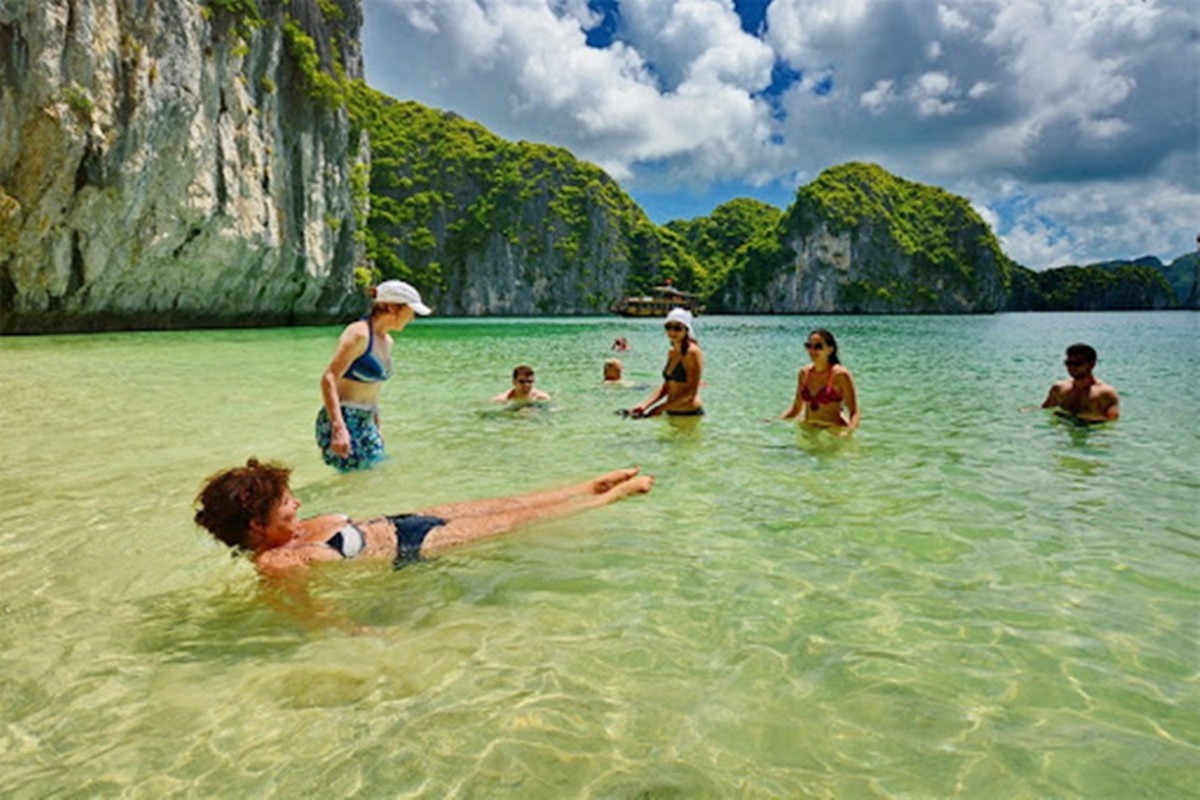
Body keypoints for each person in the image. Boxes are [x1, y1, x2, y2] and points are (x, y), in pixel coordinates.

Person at [194, 459, 654, 576]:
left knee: (512, 503)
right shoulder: (276, 563)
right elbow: (312, 615)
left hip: (405, 520)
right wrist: (356, 634)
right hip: (414, 547)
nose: (296, 504)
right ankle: (611, 497)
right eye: (285, 502)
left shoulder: (288, 535)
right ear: (256, 525)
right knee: (521, 522)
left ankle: (589, 485)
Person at [316, 280, 431, 471]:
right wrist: (338, 428)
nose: (412, 318)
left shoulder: (387, 341)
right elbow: (328, 378)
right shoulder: (358, 334)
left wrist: (377, 427)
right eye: (410, 311)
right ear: (392, 307)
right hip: (344, 418)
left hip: (366, 421)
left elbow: (373, 390)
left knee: (373, 477)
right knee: (356, 480)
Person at [629, 307, 704, 418]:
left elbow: (690, 393)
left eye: (678, 328)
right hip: (670, 411)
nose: (672, 332)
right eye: (668, 327)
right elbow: (667, 385)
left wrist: (659, 408)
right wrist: (645, 405)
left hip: (689, 414)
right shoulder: (672, 352)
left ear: (686, 329)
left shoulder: (692, 352)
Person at [780, 328, 860, 430]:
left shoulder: (840, 375)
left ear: (830, 350)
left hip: (832, 431)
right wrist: (775, 421)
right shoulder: (804, 373)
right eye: (809, 346)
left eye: (818, 346)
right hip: (808, 428)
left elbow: (854, 412)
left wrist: (848, 432)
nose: (812, 350)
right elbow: (796, 409)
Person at [1041, 343, 1119, 422]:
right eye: (1068, 363)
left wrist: (1076, 418)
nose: (1071, 367)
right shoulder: (1058, 388)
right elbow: (1044, 409)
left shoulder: (1105, 393)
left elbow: (1111, 422)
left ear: (1091, 365)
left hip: (1091, 433)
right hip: (1063, 432)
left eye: (1077, 364)